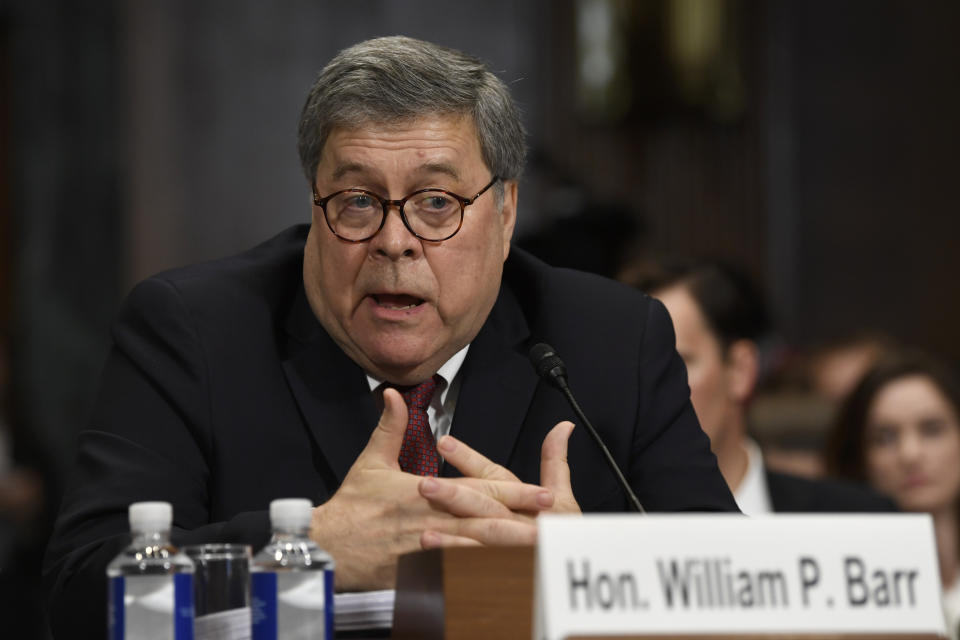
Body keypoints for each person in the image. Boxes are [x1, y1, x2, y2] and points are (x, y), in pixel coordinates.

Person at [42, 36, 736, 637]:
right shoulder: (194, 332)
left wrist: (583, 575)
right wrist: (310, 549)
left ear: (506, 211)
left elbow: (735, 594)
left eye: (437, 202)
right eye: (357, 202)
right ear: (315, 205)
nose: (395, 241)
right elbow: (80, 596)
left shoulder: (609, 340)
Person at [634, 259, 896, 514]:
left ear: (740, 370)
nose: (646, 389)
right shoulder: (601, 530)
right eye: (630, 372)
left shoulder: (854, 522)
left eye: (674, 364)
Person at [825, 349, 960, 638]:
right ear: (859, 456)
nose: (910, 454)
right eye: (885, 438)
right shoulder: (833, 588)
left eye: (932, 429)